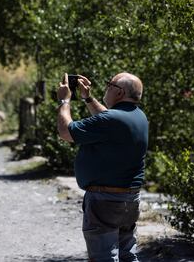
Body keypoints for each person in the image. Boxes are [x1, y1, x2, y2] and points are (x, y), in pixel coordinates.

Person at [57, 72, 148, 262]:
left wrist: (65, 101)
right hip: (130, 199)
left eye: (109, 84)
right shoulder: (138, 117)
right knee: (127, 256)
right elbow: (107, 117)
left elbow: (66, 132)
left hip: (105, 200)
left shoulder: (112, 120)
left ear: (120, 92)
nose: (106, 87)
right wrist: (87, 98)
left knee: (103, 258)